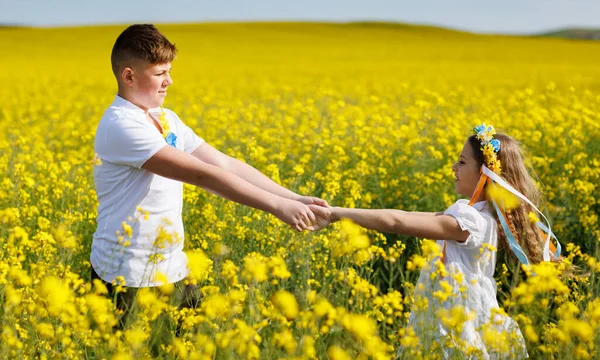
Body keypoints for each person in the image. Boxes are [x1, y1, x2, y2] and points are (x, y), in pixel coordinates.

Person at [91, 24, 327, 327]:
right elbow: (204, 176)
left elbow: (224, 164)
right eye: (160, 73)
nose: (169, 81)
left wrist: (292, 197)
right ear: (129, 76)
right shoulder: (121, 126)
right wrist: (278, 208)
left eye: (169, 71)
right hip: (127, 274)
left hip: (172, 266)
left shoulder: (165, 119)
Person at [309, 124, 561, 359]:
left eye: (462, 162)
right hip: (451, 309)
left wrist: (336, 214)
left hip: (458, 316)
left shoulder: (473, 223)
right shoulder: (472, 215)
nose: (454, 167)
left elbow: (396, 223)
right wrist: (336, 215)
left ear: (486, 174)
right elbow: (405, 217)